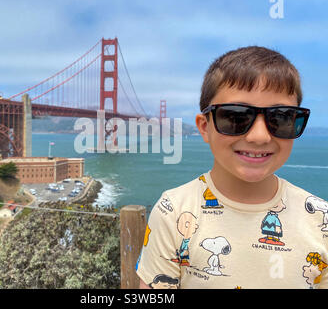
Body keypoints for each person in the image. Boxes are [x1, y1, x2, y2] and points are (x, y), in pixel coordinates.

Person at [136, 46, 328, 289]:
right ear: (204, 127)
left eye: (280, 118)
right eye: (236, 117)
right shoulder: (173, 212)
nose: (259, 136)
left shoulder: (321, 218)